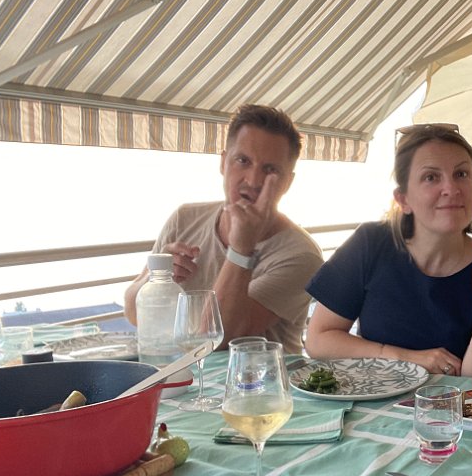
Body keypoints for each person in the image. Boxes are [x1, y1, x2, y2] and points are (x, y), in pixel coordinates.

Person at [304, 124, 472, 382]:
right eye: (431, 177)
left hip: (453, 406)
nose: (451, 188)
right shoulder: (371, 244)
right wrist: (406, 358)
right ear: (403, 199)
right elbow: (319, 340)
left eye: (461, 174)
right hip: (375, 400)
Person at [123, 104, 323, 354]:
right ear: (223, 163)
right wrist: (158, 279)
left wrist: (241, 249)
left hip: (255, 377)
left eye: (270, 169)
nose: (253, 180)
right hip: (181, 372)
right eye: (243, 161)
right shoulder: (185, 218)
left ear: (288, 182)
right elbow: (132, 312)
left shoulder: (301, 256)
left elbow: (219, 339)